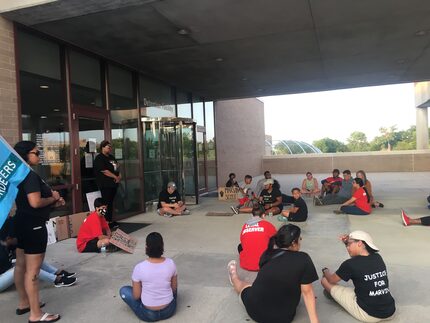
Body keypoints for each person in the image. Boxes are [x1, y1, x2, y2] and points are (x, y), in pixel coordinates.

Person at [13, 141, 65, 323]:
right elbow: (35, 202)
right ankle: (35, 315)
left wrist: (52, 201)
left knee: (21, 265)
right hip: (33, 225)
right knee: (32, 271)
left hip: (21, 222)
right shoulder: (29, 176)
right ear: (26, 155)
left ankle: (24, 303)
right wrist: (52, 198)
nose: (39, 155)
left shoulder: (18, 175)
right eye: (36, 152)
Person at [227, 224, 319, 323]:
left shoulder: (267, 254)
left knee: (245, 285)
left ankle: (233, 275)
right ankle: (233, 276)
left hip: (255, 311)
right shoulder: (303, 258)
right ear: (293, 243)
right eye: (299, 239)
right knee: (251, 286)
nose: (300, 242)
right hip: (283, 318)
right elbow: (307, 292)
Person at [321, 231, 396, 322]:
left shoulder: (350, 264)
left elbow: (332, 280)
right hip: (390, 311)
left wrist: (326, 271)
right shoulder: (378, 257)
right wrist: (348, 242)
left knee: (325, 281)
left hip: (369, 314)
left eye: (349, 244)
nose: (347, 247)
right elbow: (358, 261)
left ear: (360, 243)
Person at [0, 216, 76, 293]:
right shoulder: (2, 251)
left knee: (30, 258)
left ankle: (56, 272)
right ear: (8, 238)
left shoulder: (8, 242)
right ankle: (56, 280)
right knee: (24, 267)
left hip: (6, 270)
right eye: (17, 237)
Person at [119, 232, 177, 322]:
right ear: (162, 246)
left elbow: (136, 296)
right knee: (172, 289)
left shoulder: (139, 267)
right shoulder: (171, 263)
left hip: (148, 314)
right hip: (169, 310)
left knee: (124, 290)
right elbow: (173, 289)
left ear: (146, 247)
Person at [93, 140, 121, 229]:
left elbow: (117, 168)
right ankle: (103, 222)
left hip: (113, 185)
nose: (109, 148)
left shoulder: (111, 158)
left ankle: (109, 220)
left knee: (111, 203)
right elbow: (105, 171)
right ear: (102, 148)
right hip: (105, 185)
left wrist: (119, 176)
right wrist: (115, 177)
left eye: (110, 147)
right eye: (107, 147)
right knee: (105, 203)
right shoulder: (99, 158)